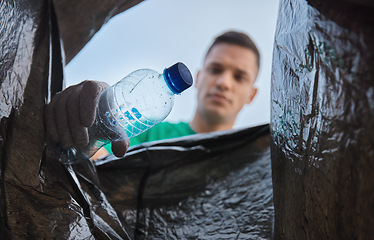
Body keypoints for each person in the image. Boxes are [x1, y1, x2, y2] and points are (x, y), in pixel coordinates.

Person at [45, 30, 260, 159]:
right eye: (215, 70)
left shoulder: (252, 158)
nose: (224, 83)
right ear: (198, 77)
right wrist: (87, 123)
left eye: (239, 77)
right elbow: (97, 157)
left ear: (251, 95)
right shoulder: (150, 134)